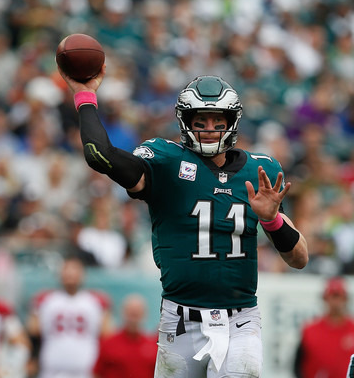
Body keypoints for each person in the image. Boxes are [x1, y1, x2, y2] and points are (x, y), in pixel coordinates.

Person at [58, 67, 309, 376]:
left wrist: (271, 221)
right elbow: (100, 154)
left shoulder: (260, 171)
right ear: (185, 122)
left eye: (218, 121)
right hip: (179, 320)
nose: (209, 128)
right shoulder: (165, 161)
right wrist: (85, 95)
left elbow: (300, 258)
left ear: (232, 123)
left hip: (240, 319)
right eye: (199, 121)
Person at [26, 256, 113, 378]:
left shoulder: (96, 301)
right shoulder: (44, 300)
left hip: (85, 367)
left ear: (83, 274)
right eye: (67, 269)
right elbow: (33, 332)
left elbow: (106, 335)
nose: (70, 274)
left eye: (75, 269)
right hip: (52, 367)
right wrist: (32, 358)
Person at [294, 277, 354, 378]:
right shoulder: (310, 330)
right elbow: (297, 365)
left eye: (339, 297)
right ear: (325, 299)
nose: (336, 302)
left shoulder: (352, 329)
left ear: (345, 299)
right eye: (332, 297)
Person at [93, 294, 158, 378]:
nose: (134, 318)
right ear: (123, 313)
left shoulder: (153, 345)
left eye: (137, 314)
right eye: (131, 313)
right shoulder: (109, 343)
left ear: (144, 314)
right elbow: (97, 372)